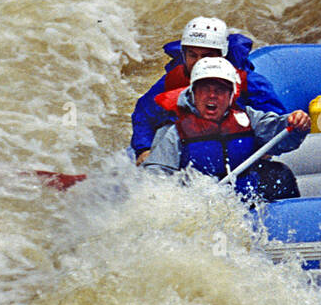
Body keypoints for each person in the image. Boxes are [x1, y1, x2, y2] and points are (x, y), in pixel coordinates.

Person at [144, 57, 310, 200]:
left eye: (220, 90)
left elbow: (283, 137)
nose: (212, 95)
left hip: (244, 193)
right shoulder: (174, 131)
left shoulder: (248, 118)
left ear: (231, 96)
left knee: (280, 174)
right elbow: (156, 179)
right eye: (205, 89)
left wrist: (296, 125)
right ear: (193, 93)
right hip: (200, 199)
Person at [131, 16, 284, 163]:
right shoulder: (171, 80)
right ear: (184, 54)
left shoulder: (249, 82)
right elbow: (144, 114)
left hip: (235, 144)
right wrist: (144, 149)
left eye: (206, 56)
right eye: (192, 55)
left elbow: (273, 120)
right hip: (191, 145)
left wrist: (264, 148)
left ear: (222, 55)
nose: (199, 62)